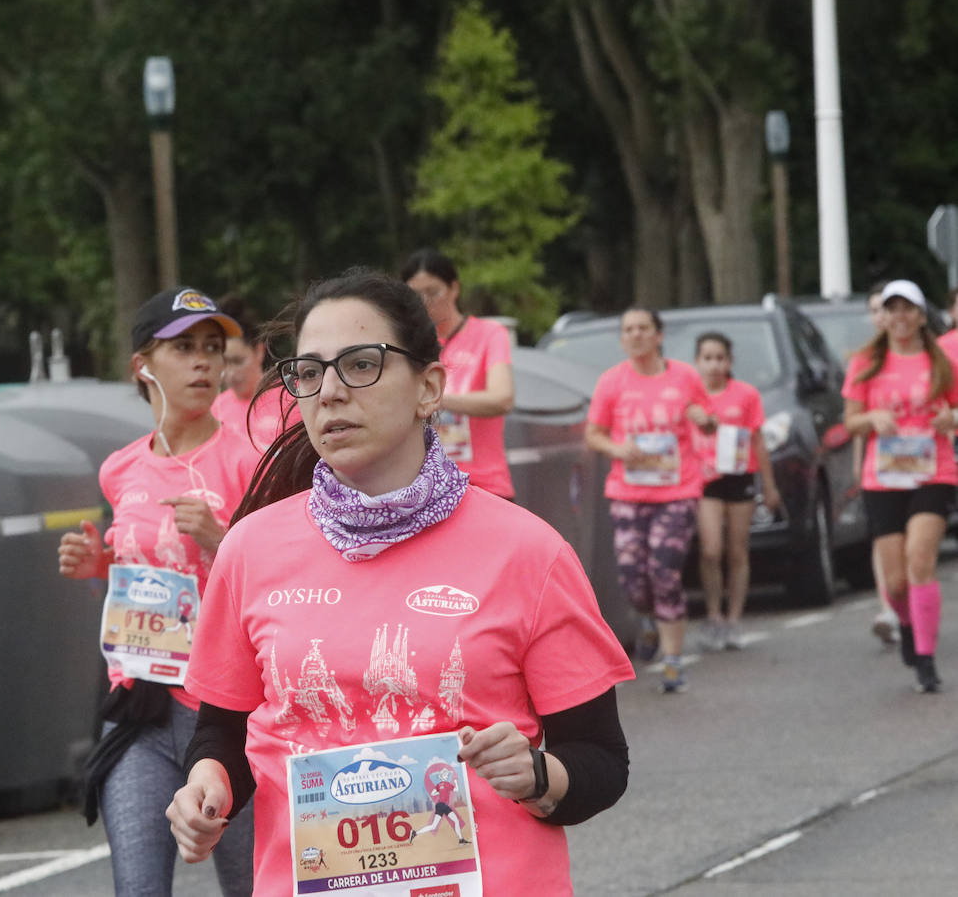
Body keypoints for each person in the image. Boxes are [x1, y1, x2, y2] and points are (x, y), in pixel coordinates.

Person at [165, 269, 634, 894]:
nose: (329, 392)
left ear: (429, 388)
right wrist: (209, 785)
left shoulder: (528, 551)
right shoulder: (250, 548)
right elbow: (222, 733)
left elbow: (601, 760)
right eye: (308, 372)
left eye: (361, 364)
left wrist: (538, 775)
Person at [57, 287, 258, 896]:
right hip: (141, 708)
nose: (204, 363)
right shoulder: (120, 470)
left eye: (212, 349)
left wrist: (220, 540)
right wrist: (99, 563)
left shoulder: (248, 460)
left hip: (227, 717)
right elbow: (143, 571)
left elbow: (282, 585)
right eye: (185, 349)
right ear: (143, 366)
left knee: (251, 887)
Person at [584, 308, 716, 693]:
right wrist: (618, 449)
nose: (636, 335)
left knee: (665, 571)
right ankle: (646, 619)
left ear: (658, 335)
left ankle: (674, 661)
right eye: (628, 330)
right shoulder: (612, 382)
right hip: (628, 492)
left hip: (677, 490)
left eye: (643, 329)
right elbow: (595, 434)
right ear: (622, 338)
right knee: (633, 579)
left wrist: (702, 417)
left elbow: (710, 420)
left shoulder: (686, 377)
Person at [842, 278, 956, 693]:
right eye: (893, 309)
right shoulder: (866, 362)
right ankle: (907, 624)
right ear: (883, 316)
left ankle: (926, 658)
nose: (901, 316)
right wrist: (872, 420)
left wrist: (952, 419)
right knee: (894, 582)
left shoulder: (940, 360)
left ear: (921, 315)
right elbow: (850, 421)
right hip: (884, 476)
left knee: (920, 559)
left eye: (908, 308)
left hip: (933, 471)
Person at [691, 332, 781, 650]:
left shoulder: (745, 395)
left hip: (740, 476)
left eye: (720, 358)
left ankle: (734, 618)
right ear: (697, 361)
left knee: (737, 550)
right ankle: (714, 614)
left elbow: (758, 440)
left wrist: (769, 486)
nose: (714, 364)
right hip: (705, 481)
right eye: (707, 358)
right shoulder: (691, 398)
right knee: (711, 549)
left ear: (729, 362)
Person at [401, 248, 516, 498]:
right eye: (414, 295)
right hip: (427, 490)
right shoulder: (407, 346)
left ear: (454, 289)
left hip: (485, 486)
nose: (424, 302)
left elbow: (502, 399)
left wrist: (435, 399)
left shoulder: (489, 334)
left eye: (432, 292)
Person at [860, 285, 902, 645]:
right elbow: (854, 422)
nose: (881, 317)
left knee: (916, 545)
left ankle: (910, 605)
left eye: (884, 309)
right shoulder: (863, 361)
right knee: (882, 540)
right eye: (874, 310)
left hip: (924, 468)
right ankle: (888, 607)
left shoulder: (925, 355)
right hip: (880, 469)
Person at [210, 294, 299, 451]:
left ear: (259, 351)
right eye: (223, 363)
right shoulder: (214, 410)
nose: (229, 374)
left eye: (238, 361)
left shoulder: (292, 398)